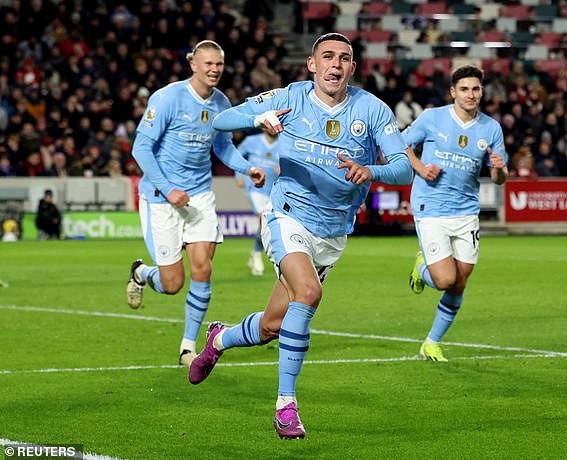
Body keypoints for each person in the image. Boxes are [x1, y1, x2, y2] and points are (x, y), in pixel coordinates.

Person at [188, 33, 413, 439]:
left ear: (352, 68)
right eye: (327, 56)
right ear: (312, 64)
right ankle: (285, 406)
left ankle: (220, 339)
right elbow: (221, 120)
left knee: (273, 325)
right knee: (308, 293)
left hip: (332, 232)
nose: (335, 64)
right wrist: (257, 118)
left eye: (344, 58)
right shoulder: (289, 97)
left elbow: (403, 168)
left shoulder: (373, 110)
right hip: (286, 214)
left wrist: (371, 171)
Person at [125, 40, 266, 367]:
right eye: (208, 63)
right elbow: (141, 149)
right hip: (161, 198)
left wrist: (248, 167)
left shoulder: (221, 103)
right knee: (172, 283)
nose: (214, 69)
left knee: (203, 268)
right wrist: (169, 188)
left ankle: (188, 349)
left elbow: (224, 148)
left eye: (219, 64)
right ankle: (141, 274)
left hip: (200, 195)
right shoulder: (168, 98)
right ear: (193, 64)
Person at [404, 65, 508, 362]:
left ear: (482, 91)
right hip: (431, 207)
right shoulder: (432, 118)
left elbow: (501, 178)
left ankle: (431, 342)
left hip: (466, 212)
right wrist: (421, 168)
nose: (470, 94)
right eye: (464, 89)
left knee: (460, 281)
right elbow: (402, 145)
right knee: (445, 280)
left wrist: (499, 168)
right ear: (453, 92)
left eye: (475, 89)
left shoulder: (491, 128)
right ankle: (421, 269)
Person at [235, 130, 280, 276]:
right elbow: (237, 155)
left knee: (267, 223)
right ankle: (258, 256)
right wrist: (239, 174)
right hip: (254, 187)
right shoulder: (251, 141)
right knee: (263, 219)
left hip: (274, 188)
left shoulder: (285, 142)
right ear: (264, 127)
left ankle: (255, 251)